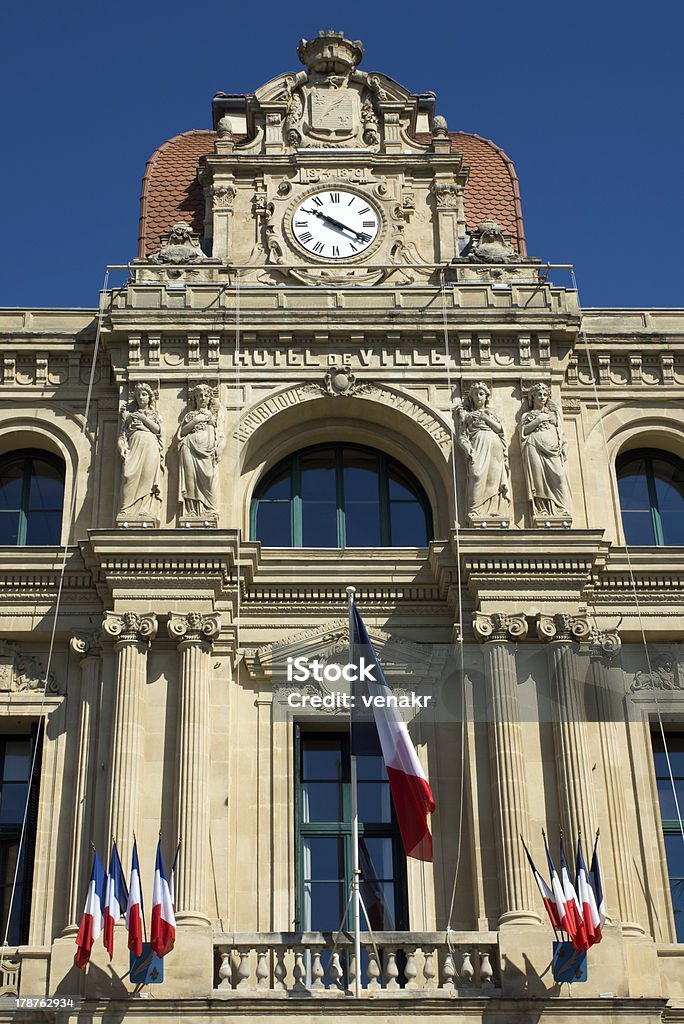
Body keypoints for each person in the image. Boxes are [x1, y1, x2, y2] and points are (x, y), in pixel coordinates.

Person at [456, 381, 510, 522]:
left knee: (493, 478)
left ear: (486, 397)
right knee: (476, 474)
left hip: (494, 447)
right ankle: (476, 510)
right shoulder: (468, 416)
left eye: (482, 394)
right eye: (476, 394)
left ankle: (492, 511)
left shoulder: (491, 414)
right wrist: (467, 448)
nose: (479, 397)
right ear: (471, 397)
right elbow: (461, 436)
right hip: (477, 447)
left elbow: (500, 429)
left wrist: (484, 417)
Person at [519, 382, 572, 519]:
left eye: (545, 395)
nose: (542, 397)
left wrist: (564, 445)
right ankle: (542, 510)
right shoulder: (527, 416)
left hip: (554, 451)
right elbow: (523, 431)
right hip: (534, 447)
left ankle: (559, 509)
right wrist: (538, 421)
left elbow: (561, 433)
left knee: (559, 477)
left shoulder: (554, 414)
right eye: (538, 395)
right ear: (533, 397)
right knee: (538, 479)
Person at [117, 383, 164, 521]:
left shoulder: (154, 414)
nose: (141, 398)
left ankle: (145, 509)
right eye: (138, 395)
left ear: (150, 397)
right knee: (128, 475)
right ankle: (127, 509)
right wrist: (122, 448)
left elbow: (158, 430)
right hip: (133, 447)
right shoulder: (129, 415)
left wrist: (142, 418)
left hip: (150, 446)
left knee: (147, 476)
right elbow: (122, 434)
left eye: (144, 394)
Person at [178, 384, 225, 519]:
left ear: (210, 398)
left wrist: (219, 447)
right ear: (195, 398)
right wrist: (196, 421)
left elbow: (220, 433)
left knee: (209, 476)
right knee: (190, 477)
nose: (202, 398)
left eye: (205, 395)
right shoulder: (191, 415)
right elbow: (182, 431)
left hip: (208, 450)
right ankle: (192, 510)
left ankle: (208, 508)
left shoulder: (215, 415)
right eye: (199, 395)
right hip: (189, 446)